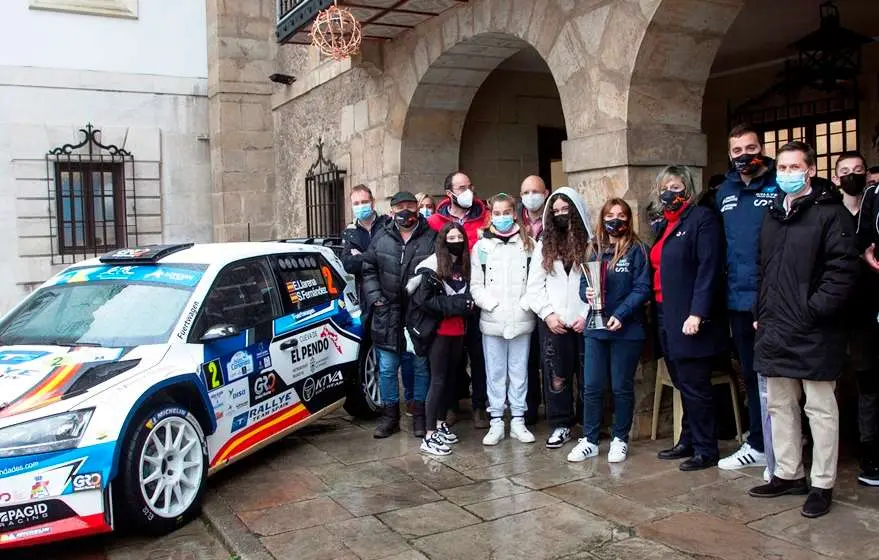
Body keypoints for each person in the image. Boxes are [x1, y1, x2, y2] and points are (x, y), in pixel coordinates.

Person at [748, 141, 858, 518]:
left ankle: (822, 483)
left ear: (809, 170)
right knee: (780, 405)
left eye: (795, 166)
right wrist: (759, 310)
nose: (788, 173)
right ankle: (788, 473)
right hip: (776, 326)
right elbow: (763, 269)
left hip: (814, 329)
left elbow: (842, 273)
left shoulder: (832, 214)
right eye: (782, 167)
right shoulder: (773, 215)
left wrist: (813, 311)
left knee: (820, 408)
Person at [652, 165, 726, 472]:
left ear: (689, 190)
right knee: (682, 382)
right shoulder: (663, 224)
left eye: (677, 187)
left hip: (688, 315)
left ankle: (706, 448)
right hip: (662, 313)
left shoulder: (702, 220)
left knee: (695, 384)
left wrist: (697, 312)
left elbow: (709, 269)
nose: (671, 193)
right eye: (666, 187)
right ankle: (688, 439)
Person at [568, 198, 651, 463]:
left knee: (621, 387)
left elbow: (642, 288)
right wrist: (587, 293)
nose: (615, 220)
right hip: (596, 327)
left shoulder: (637, 250)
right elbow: (583, 285)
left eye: (621, 215)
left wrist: (621, 313)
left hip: (626, 329)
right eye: (610, 215)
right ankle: (590, 439)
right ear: (602, 218)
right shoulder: (593, 249)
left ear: (628, 219)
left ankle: (619, 438)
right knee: (591, 386)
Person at [715, 124, 777, 473]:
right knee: (752, 376)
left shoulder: (778, 185)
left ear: (761, 148)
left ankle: (782, 446)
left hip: (773, 300)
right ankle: (757, 443)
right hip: (738, 301)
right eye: (737, 151)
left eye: (750, 148)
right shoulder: (725, 191)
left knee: (779, 379)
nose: (744, 156)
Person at [361, 191, 436, 439]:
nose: (406, 210)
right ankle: (389, 416)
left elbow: (439, 269)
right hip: (387, 313)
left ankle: (420, 415)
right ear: (391, 210)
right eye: (400, 206)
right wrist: (376, 299)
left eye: (410, 205)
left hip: (419, 314)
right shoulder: (381, 237)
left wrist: (424, 294)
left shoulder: (430, 237)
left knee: (420, 366)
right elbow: (368, 269)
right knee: (387, 367)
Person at [341, 185, 418, 416]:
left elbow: (392, 259)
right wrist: (371, 259)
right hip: (371, 300)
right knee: (383, 358)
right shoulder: (350, 232)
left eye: (364, 201)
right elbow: (348, 264)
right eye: (356, 203)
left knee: (406, 354)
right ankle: (388, 406)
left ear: (373, 202)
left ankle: (412, 399)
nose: (361, 207)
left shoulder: (387, 224)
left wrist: (363, 257)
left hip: (397, 295)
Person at [526, 186, 592, 449]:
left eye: (566, 210)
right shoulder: (544, 246)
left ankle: (589, 425)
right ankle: (560, 424)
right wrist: (548, 315)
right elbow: (534, 287)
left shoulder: (591, 243)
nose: (561, 215)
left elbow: (597, 283)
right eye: (556, 211)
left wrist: (586, 314)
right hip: (554, 324)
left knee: (588, 376)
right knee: (556, 377)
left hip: (584, 321)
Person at [471, 193, 537, 446]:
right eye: (496, 214)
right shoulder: (482, 247)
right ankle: (496, 420)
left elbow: (536, 280)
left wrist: (524, 305)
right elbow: (476, 284)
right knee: (495, 371)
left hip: (521, 317)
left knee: (519, 371)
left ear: (514, 213)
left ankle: (518, 420)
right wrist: (492, 305)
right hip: (492, 319)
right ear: (491, 216)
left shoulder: (529, 244)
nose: (502, 218)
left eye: (506, 212)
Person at [406, 223, 476, 456]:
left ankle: (439, 423)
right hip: (439, 333)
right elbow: (425, 301)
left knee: (448, 380)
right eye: (451, 237)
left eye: (459, 237)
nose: (455, 241)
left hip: (458, 332)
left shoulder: (464, 265)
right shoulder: (432, 266)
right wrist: (458, 305)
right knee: (436, 381)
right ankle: (428, 435)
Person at [428, 172, 491, 428]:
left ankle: (480, 407)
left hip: (478, 295)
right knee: (451, 357)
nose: (468, 191)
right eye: (462, 187)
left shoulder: (486, 217)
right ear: (449, 193)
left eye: (470, 186)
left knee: (479, 355)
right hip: (449, 298)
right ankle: (450, 406)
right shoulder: (434, 221)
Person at [833, 151, 879, 487]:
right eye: (845, 171)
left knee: (868, 382)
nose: (852, 175)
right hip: (832, 310)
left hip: (866, 310)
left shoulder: (874, 210)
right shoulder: (828, 212)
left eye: (858, 170)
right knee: (826, 384)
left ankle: (868, 451)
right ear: (836, 177)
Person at [519, 175, 550, 425]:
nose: (531, 196)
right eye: (526, 192)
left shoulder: (554, 219)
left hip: (549, 298)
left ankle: (554, 408)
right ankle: (529, 409)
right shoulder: (515, 221)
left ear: (546, 192)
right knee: (526, 359)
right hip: (520, 299)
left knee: (548, 357)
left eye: (536, 191)